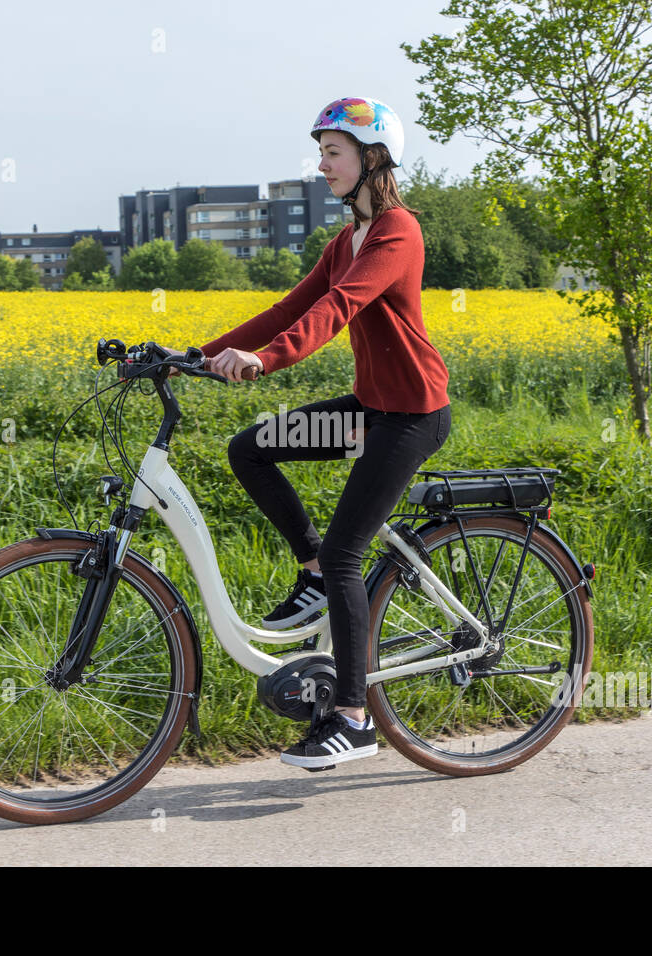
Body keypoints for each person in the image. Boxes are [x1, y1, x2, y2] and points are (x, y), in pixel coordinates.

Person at [168, 96, 451, 770]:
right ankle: (313, 566)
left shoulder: (396, 232)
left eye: (333, 152)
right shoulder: (345, 241)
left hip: (411, 416)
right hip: (369, 407)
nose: (322, 164)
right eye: (321, 151)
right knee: (252, 449)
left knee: (352, 552)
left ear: (370, 158)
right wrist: (191, 356)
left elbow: (336, 309)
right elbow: (286, 308)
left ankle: (353, 718)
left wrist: (268, 361)